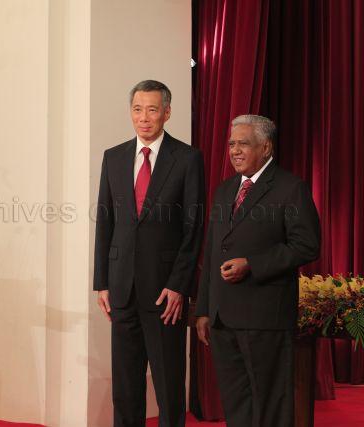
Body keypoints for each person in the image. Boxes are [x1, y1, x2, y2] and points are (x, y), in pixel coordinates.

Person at [195, 115, 320, 427]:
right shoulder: (224, 191)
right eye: (232, 144)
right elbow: (212, 251)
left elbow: (306, 245)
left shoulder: (291, 188)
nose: (235, 150)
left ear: (266, 147)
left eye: (244, 144)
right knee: (236, 404)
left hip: (266, 318)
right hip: (223, 319)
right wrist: (204, 310)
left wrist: (252, 264)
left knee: (271, 405)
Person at [94, 80, 205, 427]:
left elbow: (194, 228)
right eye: (138, 109)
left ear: (167, 113)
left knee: (169, 384)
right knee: (125, 387)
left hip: (165, 293)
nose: (144, 118)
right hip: (122, 288)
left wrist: (179, 285)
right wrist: (102, 282)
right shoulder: (113, 157)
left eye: (152, 110)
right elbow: (105, 223)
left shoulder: (187, 159)